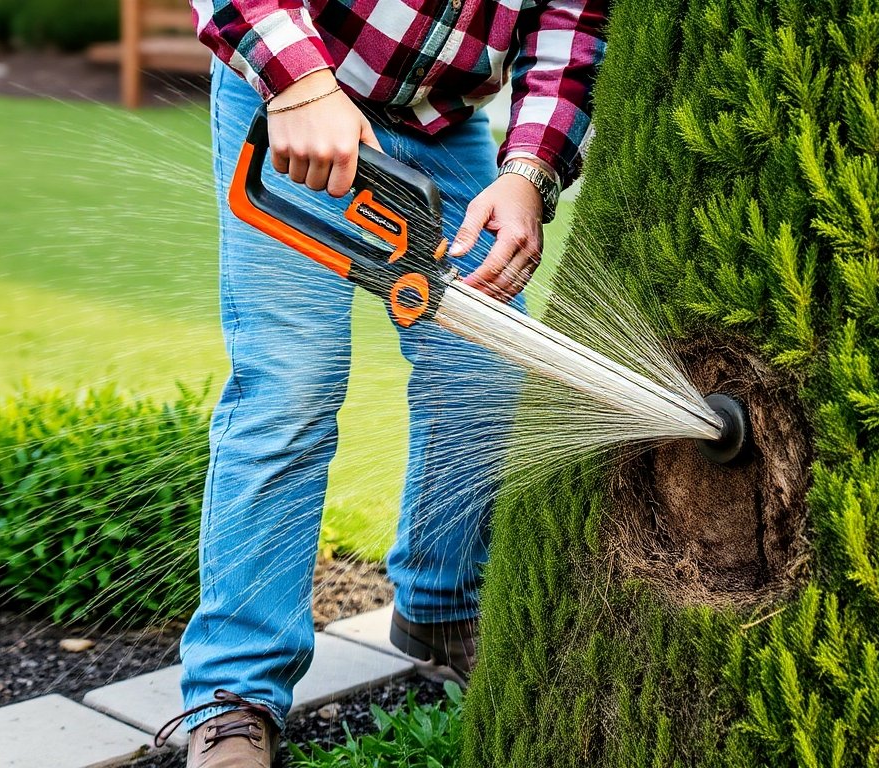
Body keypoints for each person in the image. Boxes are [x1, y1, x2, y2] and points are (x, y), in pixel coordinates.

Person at [151, 1, 607, 766]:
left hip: (442, 126)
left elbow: (572, 22)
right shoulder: (293, 88)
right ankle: (235, 697)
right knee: (290, 384)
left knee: (485, 377)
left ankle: (439, 605)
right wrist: (299, 85)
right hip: (288, 97)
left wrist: (527, 173)